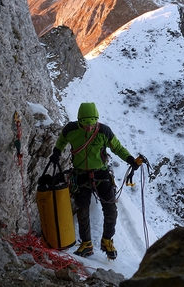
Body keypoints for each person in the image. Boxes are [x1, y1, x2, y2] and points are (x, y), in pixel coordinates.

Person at [49, 102, 140, 260]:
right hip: (80, 175)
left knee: (111, 210)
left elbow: (117, 147)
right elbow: (62, 141)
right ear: (80, 121)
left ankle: (107, 240)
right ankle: (86, 243)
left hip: (101, 174)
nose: (89, 128)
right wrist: (56, 152)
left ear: (96, 121)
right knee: (82, 210)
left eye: (92, 125)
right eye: (86, 125)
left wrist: (130, 159)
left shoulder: (104, 131)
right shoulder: (71, 130)